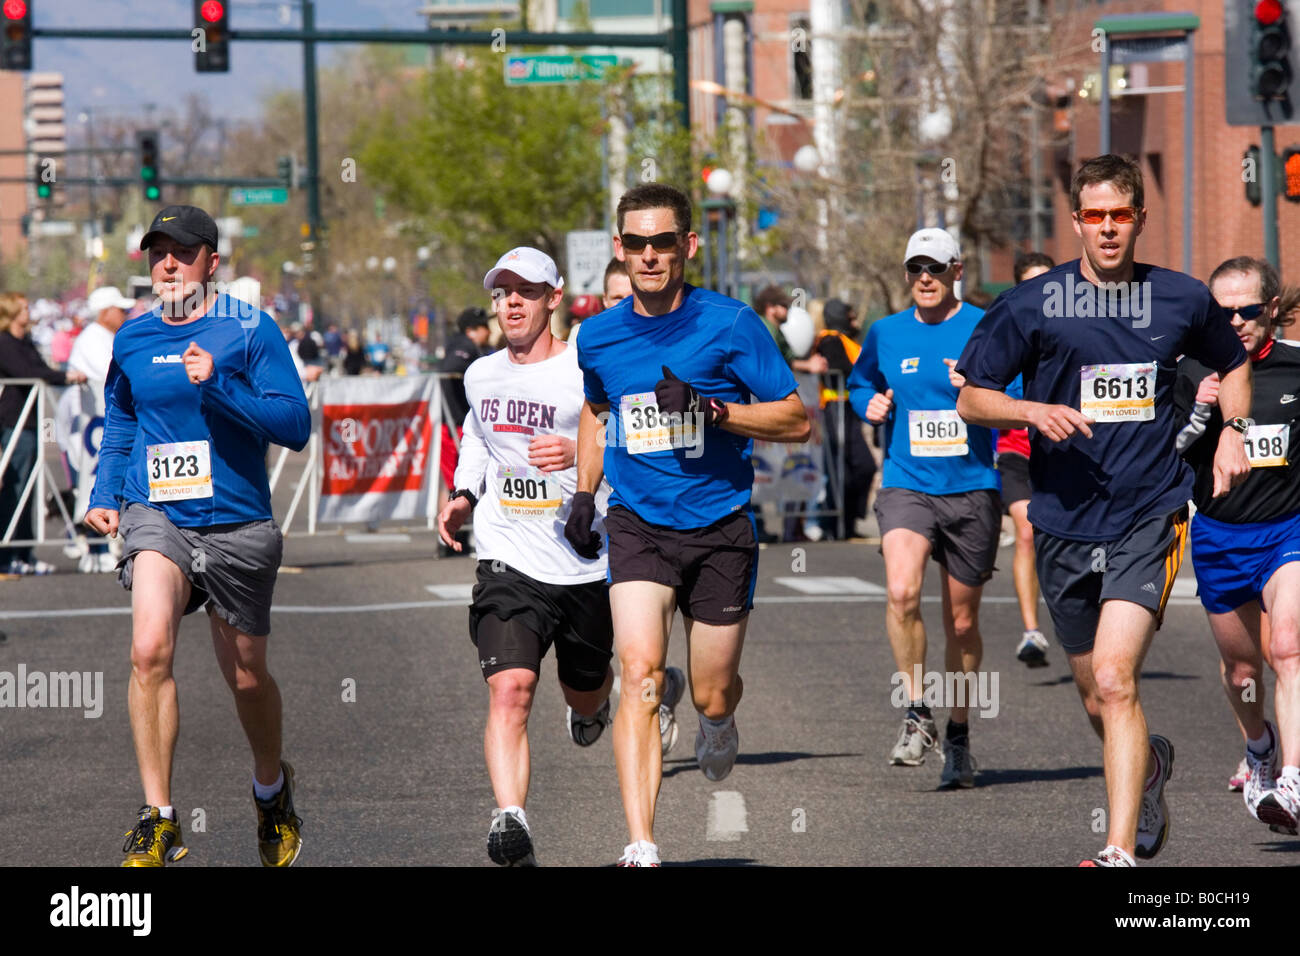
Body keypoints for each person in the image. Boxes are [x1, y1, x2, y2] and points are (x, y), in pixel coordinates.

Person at [955, 155, 1251, 866]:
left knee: (1117, 680)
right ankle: (1148, 770)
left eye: (1121, 215)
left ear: (1139, 219)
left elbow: (1233, 363)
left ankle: (1116, 853)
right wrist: (1030, 409)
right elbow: (970, 395)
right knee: (1095, 695)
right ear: (1078, 221)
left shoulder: (1180, 299)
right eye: (1095, 216)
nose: (1109, 228)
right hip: (1062, 518)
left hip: (1149, 510)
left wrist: (1232, 436)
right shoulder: (1032, 304)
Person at [567, 183, 811, 866]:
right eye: (636, 243)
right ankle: (641, 843)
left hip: (719, 525)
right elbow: (596, 408)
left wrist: (713, 410)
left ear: (687, 246)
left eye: (663, 242)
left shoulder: (729, 325)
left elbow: (797, 419)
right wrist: (584, 495)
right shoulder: (599, 334)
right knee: (638, 671)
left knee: (711, 685)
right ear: (620, 249)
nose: (649, 256)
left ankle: (715, 716)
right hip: (639, 522)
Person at [84, 205, 311, 867]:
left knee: (246, 678)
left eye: (182, 252)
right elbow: (122, 422)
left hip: (240, 523)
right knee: (148, 648)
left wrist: (222, 387)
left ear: (213, 262)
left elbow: (295, 425)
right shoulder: (131, 338)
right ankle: (160, 817)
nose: (167, 264)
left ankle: (270, 788)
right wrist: (105, 497)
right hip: (159, 516)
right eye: (157, 252)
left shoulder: (251, 332)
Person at [436, 246, 656, 866]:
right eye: (502, 291)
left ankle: (592, 701)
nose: (511, 302)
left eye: (526, 291)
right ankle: (512, 820)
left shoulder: (585, 367)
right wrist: (462, 492)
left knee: (583, 689)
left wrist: (578, 450)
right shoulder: (481, 374)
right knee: (511, 688)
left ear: (553, 298)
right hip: (508, 554)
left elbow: (631, 438)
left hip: (585, 558)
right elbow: (477, 434)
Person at [848, 228, 999, 790]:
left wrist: (980, 388)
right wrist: (872, 404)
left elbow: (1017, 391)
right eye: (915, 269)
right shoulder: (886, 332)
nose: (925, 279)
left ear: (957, 270)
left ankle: (958, 732)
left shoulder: (984, 326)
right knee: (901, 591)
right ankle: (917, 709)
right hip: (907, 482)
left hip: (971, 487)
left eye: (935, 268)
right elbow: (860, 385)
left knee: (962, 621)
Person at [1173, 255, 1300, 831]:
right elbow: (1166, 452)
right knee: (1244, 673)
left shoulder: (1297, 368)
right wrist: (1200, 408)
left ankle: (1293, 781)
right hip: (1220, 536)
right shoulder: (1191, 371)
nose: (1236, 323)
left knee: (1289, 649)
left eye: (1247, 311)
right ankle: (1260, 746)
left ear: (1271, 308)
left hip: (1288, 530)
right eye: (1222, 315)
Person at [0, 292, 88, 574]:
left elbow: (38, 368)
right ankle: (8, 554)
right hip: (14, 421)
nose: (28, 312)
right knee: (15, 489)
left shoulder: (24, 340)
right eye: (24, 308)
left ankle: (25, 553)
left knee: (32, 491)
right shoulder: (4, 342)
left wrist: (57, 375)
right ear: (11, 312)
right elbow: (28, 371)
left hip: (32, 421)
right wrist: (65, 376)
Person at [999, 252, 1057, 667]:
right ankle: (1031, 632)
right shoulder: (1005, 330)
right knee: (1026, 530)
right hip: (1017, 449)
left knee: (1062, 540)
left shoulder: (1077, 328)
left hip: (1064, 451)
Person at [66, 285, 135, 573]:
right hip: (90, 425)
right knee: (92, 482)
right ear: (106, 312)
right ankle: (93, 547)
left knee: (102, 479)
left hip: (103, 423)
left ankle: (102, 546)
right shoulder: (92, 339)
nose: (125, 313)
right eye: (120, 309)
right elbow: (110, 378)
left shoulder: (107, 336)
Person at [815, 298, 875, 539]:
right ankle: (835, 525)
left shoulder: (847, 340)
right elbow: (840, 367)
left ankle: (848, 524)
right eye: (850, 317)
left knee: (855, 467)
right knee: (846, 467)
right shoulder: (830, 339)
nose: (855, 322)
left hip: (850, 409)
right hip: (835, 408)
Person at [438, 307, 492, 529]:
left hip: (453, 423)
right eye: (484, 328)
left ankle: (450, 534)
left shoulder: (460, 344)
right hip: (455, 425)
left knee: (453, 481)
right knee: (458, 481)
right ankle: (454, 533)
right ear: (472, 330)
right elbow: (450, 369)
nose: (489, 332)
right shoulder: (465, 346)